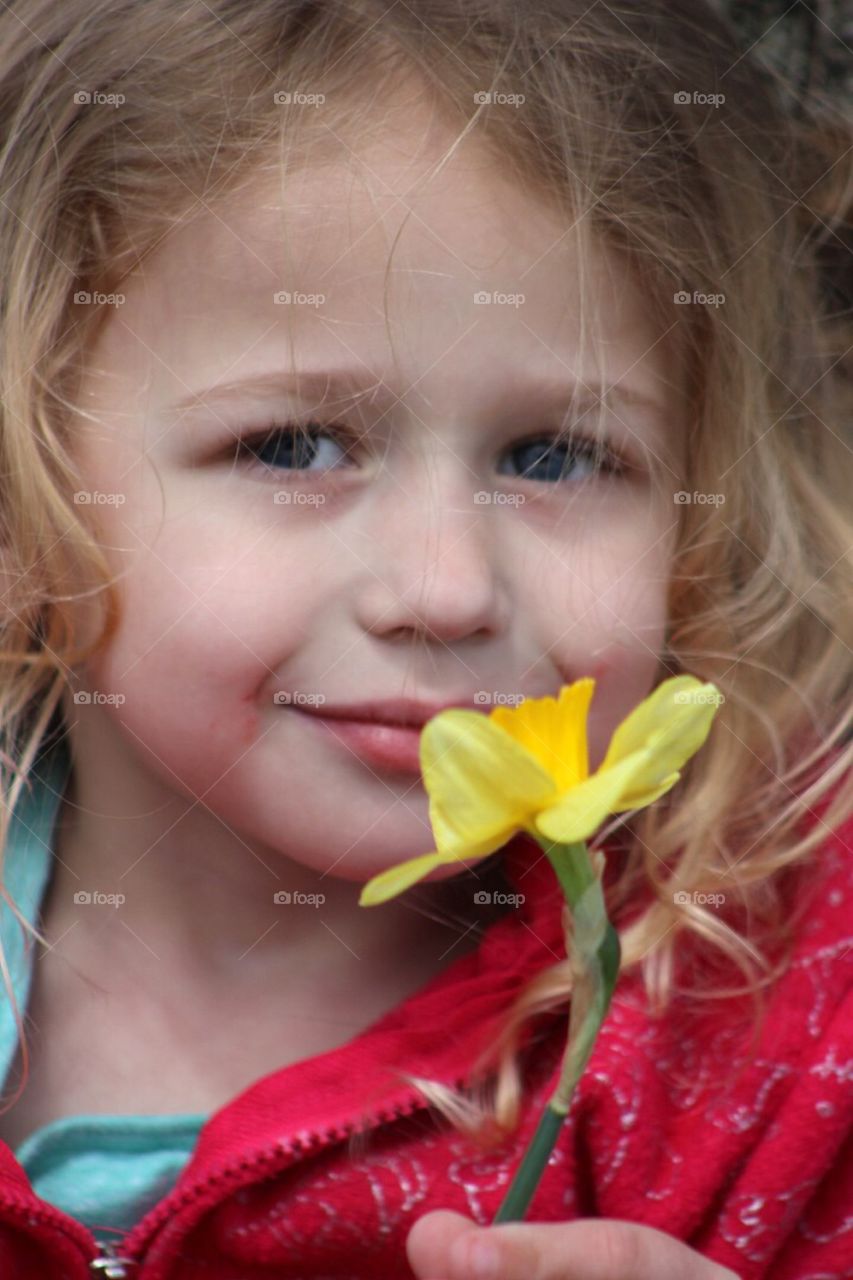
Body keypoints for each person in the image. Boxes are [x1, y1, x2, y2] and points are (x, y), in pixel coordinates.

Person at [0, 1, 849, 1277]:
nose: (446, 590)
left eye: (555, 455)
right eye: (292, 445)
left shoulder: (782, 1023)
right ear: (25, 490)